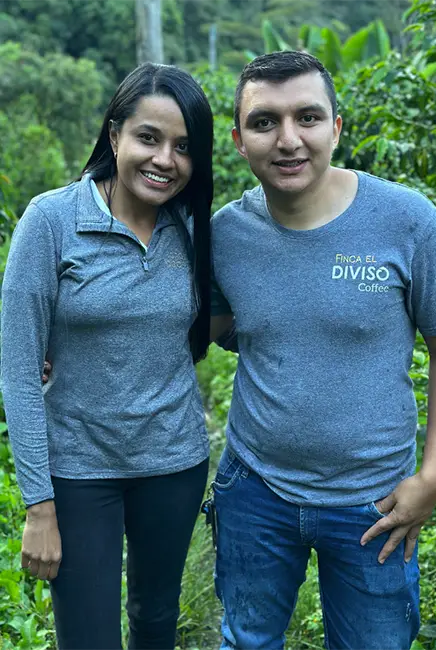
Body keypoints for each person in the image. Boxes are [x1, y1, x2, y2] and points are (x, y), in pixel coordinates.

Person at [205, 51, 436, 649]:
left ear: (336, 127)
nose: (288, 140)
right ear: (238, 140)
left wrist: (433, 475)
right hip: (255, 489)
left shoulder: (405, 220)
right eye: (264, 122)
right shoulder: (224, 235)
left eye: (307, 117)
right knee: (246, 641)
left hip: (374, 501)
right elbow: (208, 325)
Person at [0, 63, 215, 649]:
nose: (164, 159)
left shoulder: (195, 228)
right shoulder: (51, 221)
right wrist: (38, 505)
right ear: (115, 134)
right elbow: (18, 372)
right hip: (77, 471)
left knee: (154, 620)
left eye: (184, 147)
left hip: (173, 464)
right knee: (87, 635)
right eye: (149, 137)